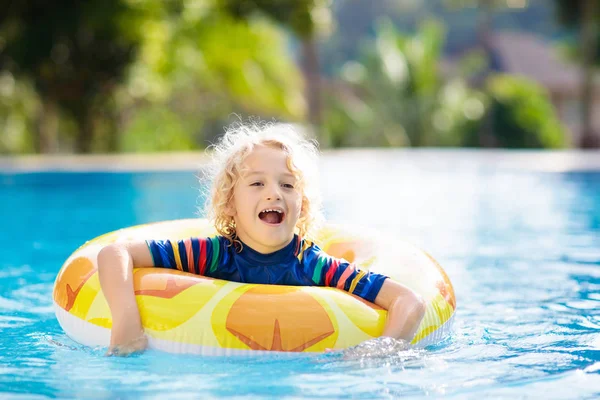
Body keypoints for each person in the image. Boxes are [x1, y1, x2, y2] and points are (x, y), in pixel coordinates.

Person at [97, 121, 426, 356]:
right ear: (230, 203)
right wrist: (127, 320)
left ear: (303, 205)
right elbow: (115, 254)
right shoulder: (210, 255)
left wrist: (381, 349)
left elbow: (409, 302)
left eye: (287, 185)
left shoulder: (315, 267)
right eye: (257, 184)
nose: (274, 194)